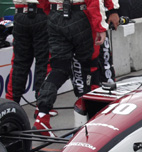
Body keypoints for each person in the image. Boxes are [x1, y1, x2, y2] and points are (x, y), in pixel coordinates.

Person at [33, 0, 107, 136]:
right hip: (79, 14)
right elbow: (93, 2)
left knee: (58, 68)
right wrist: (100, 27)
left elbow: (42, 2)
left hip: (55, 15)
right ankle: (89, 122)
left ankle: (42, 115)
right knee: (88, 66)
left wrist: (53, 12)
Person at [5, 0, 58, 116]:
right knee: (44, 63)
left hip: (20, 14)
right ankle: (41, 107)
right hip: (41, 15)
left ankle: (10, 105)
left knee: (19, 63)